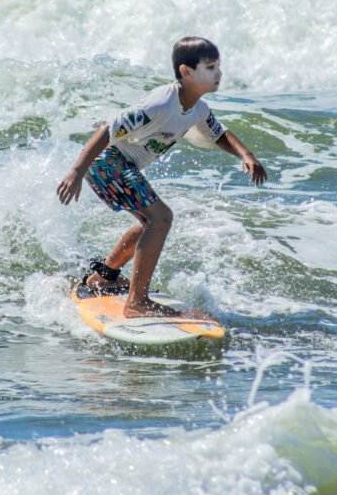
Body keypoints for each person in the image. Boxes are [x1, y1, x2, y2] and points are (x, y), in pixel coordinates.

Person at [56, 36, 267, 317]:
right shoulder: (160, 103)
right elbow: (109, 129)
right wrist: (76, 172)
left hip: (121, 164)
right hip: (107, 161)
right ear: (186, 72)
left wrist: (246, 155)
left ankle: (105, 277)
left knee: (151, 223)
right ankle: (137, 302)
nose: (219, 73)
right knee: (160, 218)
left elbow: (219, 133)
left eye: (219, 66)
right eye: (211, 67)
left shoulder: (197, 108)